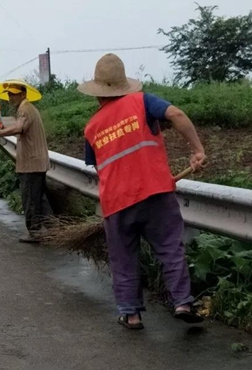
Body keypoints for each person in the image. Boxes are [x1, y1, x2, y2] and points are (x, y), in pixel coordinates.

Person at [78, 53, 206, 329]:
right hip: (155, 193)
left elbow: (100, 168)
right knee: (170, 248)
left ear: (97, 93)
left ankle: (131, 314)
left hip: (116, 202)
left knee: (123, 258)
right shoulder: (143, 102)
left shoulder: (91, 127)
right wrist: (197, 149)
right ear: (124, 85)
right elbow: (176, 114)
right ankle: (183, 302)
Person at [0, 80, 53, 243]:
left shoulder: (25, 109)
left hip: (31, 164)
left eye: (13, 94)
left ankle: (35, 233)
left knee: (30, 198)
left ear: (23, 94)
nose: (10, 98)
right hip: (36, 162)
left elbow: (18, 128)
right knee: (39, 198)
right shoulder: (27, 108)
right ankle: (55, 229)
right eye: (8, 94)